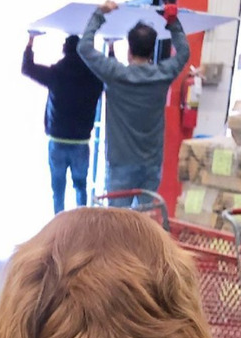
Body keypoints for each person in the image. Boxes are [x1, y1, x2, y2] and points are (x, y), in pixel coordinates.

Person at [78, 1, 189, 202]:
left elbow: (84, 47)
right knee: (144, 225)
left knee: (118, 227)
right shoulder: (162, 75)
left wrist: (99, 14)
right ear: (151, 51)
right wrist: (173, 22)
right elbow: (183, 53)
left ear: (129, 50)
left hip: (121, 164)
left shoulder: (115, 74)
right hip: (151, 164)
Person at [22, 31, 103, 214]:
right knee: (80, 187)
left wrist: (31, 40)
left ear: (64, 50)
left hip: (57, 141)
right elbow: (111, 76)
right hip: (81, 142)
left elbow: (27, 68)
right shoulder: (94, 78)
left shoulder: (55, 74)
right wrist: (111, 49)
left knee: (57, 190)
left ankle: (58, 229)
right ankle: (82, 227)